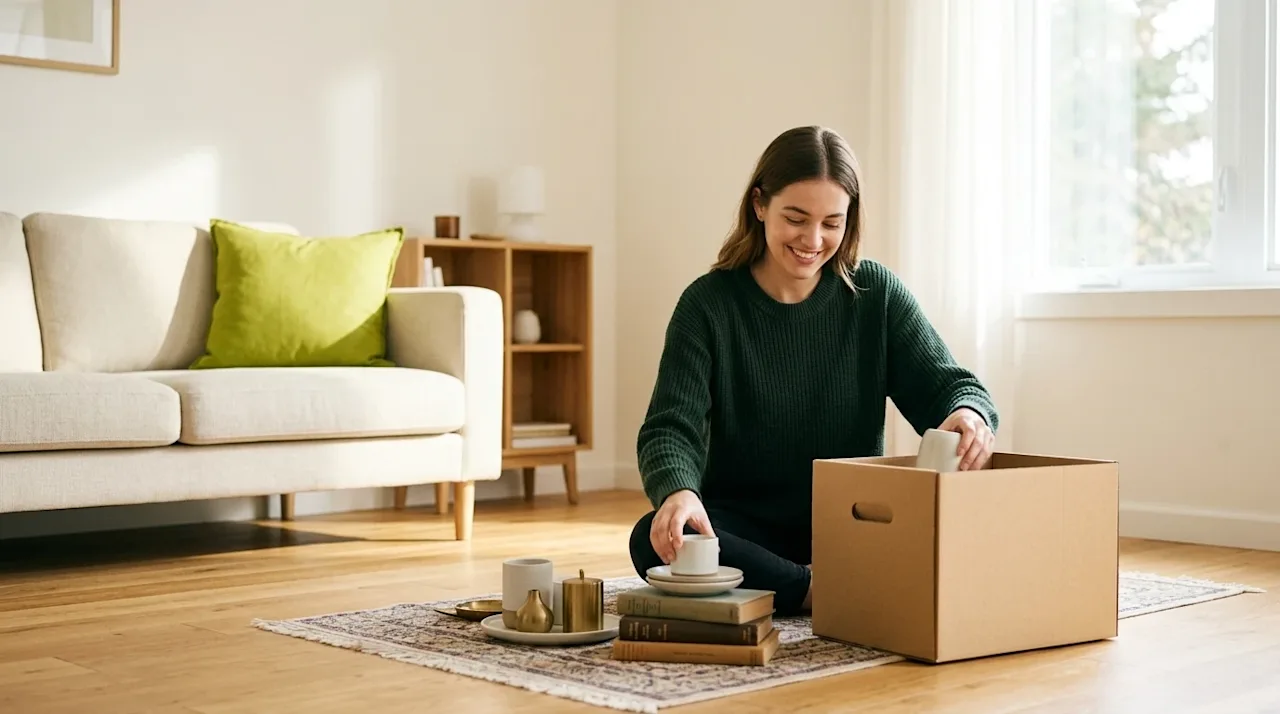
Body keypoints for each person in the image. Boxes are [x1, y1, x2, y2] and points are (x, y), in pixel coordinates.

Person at [628, 125, 999, 617]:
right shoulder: (708, 305)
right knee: (651, 537)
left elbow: (950, 385)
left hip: (854, 522)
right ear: (760, 205)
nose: (813, 240)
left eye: (832, 222)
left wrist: (970, 413)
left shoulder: (876, 295)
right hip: (743, 527)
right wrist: (678, 492)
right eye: (796, 219)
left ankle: (799, 586)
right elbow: (670, 426)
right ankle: (812, 590)